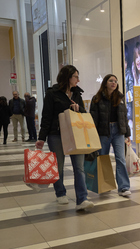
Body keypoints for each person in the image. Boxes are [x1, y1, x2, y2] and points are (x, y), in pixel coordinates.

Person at [35, 65, 94, 211]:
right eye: (76, 76)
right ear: (68, 77)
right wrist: (41, 137)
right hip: (56, 134)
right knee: (58, 167)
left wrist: (78, 108)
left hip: (76, 134)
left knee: (79, 168)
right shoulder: (52, 93)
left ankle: (82, 198)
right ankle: (60, 192)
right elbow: (47, 117)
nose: (78, 80)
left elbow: (83, 112)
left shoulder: (77, 94)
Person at [90, 74, 132, 197]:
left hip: (118, 132)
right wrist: (94, 134)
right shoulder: (97, 98)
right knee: (103, 159)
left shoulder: (120, 98)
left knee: (121, 159)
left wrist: (127, 134)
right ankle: (105, 185)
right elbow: (93, 118)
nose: (114, 83)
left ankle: (123, 187)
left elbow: (124, 117)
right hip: (103, 132)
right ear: (105, 83)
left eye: (115, 81)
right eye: (111, 81)